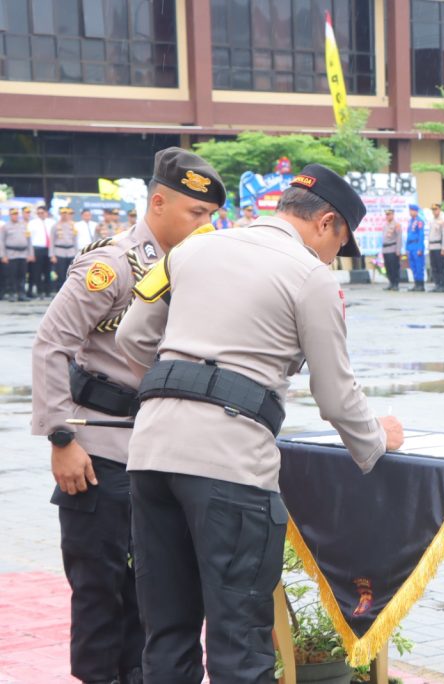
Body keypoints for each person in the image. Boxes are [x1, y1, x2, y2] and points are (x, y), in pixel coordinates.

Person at [114, 163, 405, 683]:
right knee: (240, 642)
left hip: (151, 454)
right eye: (340, 242)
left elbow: (132, 339)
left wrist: (179, 394)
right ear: (326, 222)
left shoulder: (192, 249)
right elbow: (337, 396)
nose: (335, 255)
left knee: (167, 633)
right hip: (229, 466)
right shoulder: (310, 276)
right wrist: (379, 440)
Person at [31, 147, 226, 684]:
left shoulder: (190, 268)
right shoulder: (112, 264)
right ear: (158, 202)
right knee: (100, 593)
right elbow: (51, 343)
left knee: (153, 593)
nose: (205, 225)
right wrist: (60, 436)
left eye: (210, 216)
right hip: (98, 449)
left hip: (158, 449)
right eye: (196, 213)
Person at [1, 207, 32, 301]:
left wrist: (30, 254)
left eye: (16, 214)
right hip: (11, 254)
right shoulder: (5, 227)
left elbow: (29, 240)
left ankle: (21, 294)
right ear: (10, 215)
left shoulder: (24, 225)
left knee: (22, 275)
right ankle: (12, 294)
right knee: (12, 275)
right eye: (13, 214)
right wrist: (3, 255)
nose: (15, 216)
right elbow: (1, 242)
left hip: (23, 254)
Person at [28, 204, 55, 298]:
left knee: (48, 271)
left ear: (46, 213)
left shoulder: (52, 222)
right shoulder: (32, 223)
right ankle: (39, 291)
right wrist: (31, 253)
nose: (40, 214)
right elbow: (29, 240)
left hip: (49, 249)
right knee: (37, 271)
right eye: (38, 213)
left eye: (42, 212)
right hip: (37, 249)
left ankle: (48, 291)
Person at [50, 207, 80, 292]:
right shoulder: (55, 226)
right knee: (60, 273)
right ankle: (59, 291)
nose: (64, 215)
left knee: (70, 273)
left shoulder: (72, 226)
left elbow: (75, 241)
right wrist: (52, 255)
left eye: (66, 213)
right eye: (62, 213)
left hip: (70, 252)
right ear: (60, 214)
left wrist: (77, 254)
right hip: (59, 252)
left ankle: (69, 291)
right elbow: (52, 241)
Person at [427, 203, 444, 292]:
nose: (434, 211)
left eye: (436, 209)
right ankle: (437, 284)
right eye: (433, 210)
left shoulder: (443, 221)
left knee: (440, 266)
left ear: (439, 210)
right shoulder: (432, 221)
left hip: (439, 247)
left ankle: (441, 285)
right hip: (432, 247)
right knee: (434, 266)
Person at [405, 204, 426, 291]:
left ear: (416, 211)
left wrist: (420, 248)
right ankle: (416, 284)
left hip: (417, 245)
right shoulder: (410, 221)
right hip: (411, 246)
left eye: (412, 210)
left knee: (418, 266)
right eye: (410, 210)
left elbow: (421, 235)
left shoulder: (419, 221)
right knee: (413, 266)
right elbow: (408, 235)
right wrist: (407, 248)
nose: (411, 212)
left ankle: (420, 285)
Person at [381, 208, 403, 291]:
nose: (387, 216)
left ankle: (395, 284)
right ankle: (390, 282)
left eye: (389, 214)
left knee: (394, 267)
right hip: (386, 250)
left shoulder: (396, 225)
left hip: (393, 249)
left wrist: (398, 250)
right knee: (388, 267)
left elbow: (399, 238)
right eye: (386, 215)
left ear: (393, 215)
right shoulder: (385, 225)